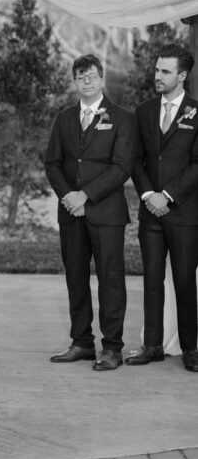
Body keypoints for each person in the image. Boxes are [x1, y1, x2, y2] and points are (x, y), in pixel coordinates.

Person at [45, 54, 136, 371]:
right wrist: (69, 196)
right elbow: (52, 163)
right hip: (70, 211)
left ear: (102, 78)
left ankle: (112, 348)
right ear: (74, 81)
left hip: (107, 212)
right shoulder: (65, 118)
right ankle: (82, 342)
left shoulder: (123, 118)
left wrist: (86, 195)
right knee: (76, 278)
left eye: (91, 76)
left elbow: (122, 167)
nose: (86, 81)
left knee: (111, 280)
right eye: (80, 77)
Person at [126, 43, 198, 372]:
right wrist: (148, 196)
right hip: (149, 212)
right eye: (157, 69)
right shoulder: (142, 111)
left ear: (182, 75)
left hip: (183, 213)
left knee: (184, 281)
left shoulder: (197, 113)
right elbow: (135, 160)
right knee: (152, 279)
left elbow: (197, 165)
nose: (158, 76)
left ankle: (191, 349)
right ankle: (152, 345)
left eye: (165, 71)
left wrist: (167, 195)